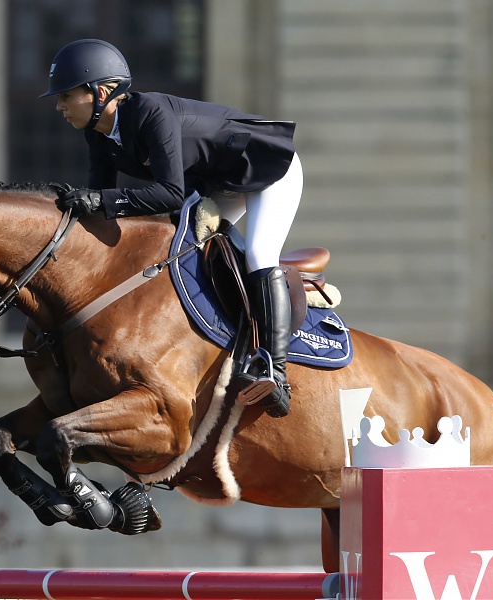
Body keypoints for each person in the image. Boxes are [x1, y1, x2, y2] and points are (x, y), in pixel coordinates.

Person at [41, 39, 303, 419]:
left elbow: (169, 193)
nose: (59, 106)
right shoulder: (97, 133)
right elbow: (101, 204)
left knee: (260, 254)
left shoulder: (150, 113)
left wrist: (100, 201)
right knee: (181, 248)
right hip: (218, 182)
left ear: (101, 92)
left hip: (266, 170)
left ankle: (274, 373)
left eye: (66, 96)